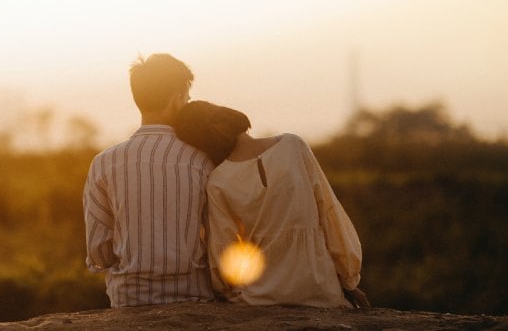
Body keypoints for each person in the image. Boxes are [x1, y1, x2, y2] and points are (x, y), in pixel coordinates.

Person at [173, 100, 371, 309]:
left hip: (259, 297)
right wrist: (348, 280)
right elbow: (330, 214)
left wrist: (228, 291)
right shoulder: (293, 146)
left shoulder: (218, 182)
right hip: (320, 290)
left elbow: (224, 252)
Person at [83, 54, 215, 307]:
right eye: (187, 98)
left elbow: (98, 251)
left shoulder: (104, 162)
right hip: (194, 297)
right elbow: (218, 239)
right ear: (177, 98)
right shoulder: (202, 160)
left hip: (129, 299)